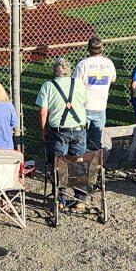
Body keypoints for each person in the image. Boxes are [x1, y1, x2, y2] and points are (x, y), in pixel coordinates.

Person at [35, 57, 88, 205]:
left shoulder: (48, 86)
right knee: (78, 162)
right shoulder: (78, 83)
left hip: (58, 132)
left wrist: (43, 130)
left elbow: (42, 112)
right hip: (79, 129)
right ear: (68, 70)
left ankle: (61, 199)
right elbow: (85, 102)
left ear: (55, 71)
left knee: (59, 164)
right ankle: (81, 198)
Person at [74, 36, 116, 151]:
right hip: (101, 105)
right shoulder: (109, 63)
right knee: (97, 138)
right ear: (102, 48)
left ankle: (82, 162)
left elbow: (76, 84)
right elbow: (113, 79)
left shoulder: (82, 64)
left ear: (88, 49)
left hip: (85, 105)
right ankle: (95, 163)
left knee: (81, 137)